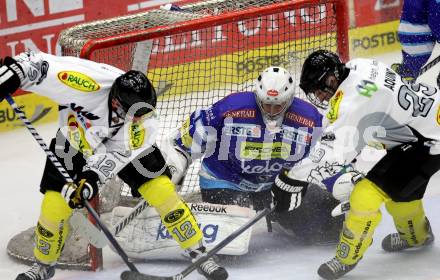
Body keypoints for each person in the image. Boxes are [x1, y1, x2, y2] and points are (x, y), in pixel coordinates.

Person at [0, 51, 228, 280]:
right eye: (134, 114)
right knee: (54, 206)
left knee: (162, 191)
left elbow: (119, 154)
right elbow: (37, 65)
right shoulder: (88, 84)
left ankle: (199, 252)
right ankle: (42, 265)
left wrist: (90, 180)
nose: (139, 118)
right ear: (117, 101)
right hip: (74, 143)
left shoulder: (144, 119)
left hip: (123, 148)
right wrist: (13, 74)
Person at [285, 49, 438, 279]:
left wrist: (294, 176)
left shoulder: (355, 100)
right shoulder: (358, 66)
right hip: (426, 126)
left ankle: (347, 257)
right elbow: (341, 123)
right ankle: (416, 235)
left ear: (331, 78)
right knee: (400, 193)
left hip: (428, 141)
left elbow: (336, 152)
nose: (320, 96)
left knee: (365, 197)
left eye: (319, 89)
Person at [163, 66, 347, 245]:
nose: (272, 111)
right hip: (226, 181)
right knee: (228, 244)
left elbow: (326, 156)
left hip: (278, 187)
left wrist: (339, 183)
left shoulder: (309, 118)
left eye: (278, 105)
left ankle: (281, 216)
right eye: (267, 104)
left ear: (289, 100)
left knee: (331, 228)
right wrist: (175, 168)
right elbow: (181, 142)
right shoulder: (230, 108)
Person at [392, 0, 440, 84]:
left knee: (409, 67)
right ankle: (405, 74)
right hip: (418, 33)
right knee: (409, 70)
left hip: (411, 26)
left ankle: (405, 71)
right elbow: (436, 19)